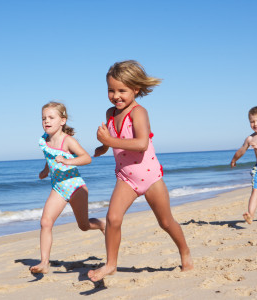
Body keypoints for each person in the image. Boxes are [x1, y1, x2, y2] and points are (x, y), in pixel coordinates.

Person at [88, 60, 193, 282]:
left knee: (165, 222)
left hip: (151, 178)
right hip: (126, 177)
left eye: (122, 91)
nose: (116, 96)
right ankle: (111, 264)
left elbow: (141, 143)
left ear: (136, 89)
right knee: (113, 218)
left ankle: (184, 251)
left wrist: (109, 140)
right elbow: (114, 139)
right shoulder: (110, 112)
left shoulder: (139, 112)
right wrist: (104, 146)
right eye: (111, 90)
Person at [30, 101, 105, 274]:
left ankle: (103, 224)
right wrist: (45, 170)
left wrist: (67, 161)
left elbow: (87, 158)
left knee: (84, 225)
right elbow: (50, 158)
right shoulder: (44, 141)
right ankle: (44, 262)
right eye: (43, 118)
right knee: (45, 222)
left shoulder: (68, 141)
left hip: (75, 186)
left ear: (62, 120)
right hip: (57, 187)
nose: (46, 121)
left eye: (51, 117)